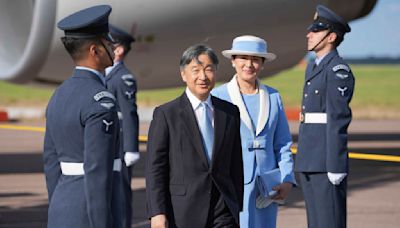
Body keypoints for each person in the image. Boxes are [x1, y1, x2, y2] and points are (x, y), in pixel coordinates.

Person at [146, 44, 244, 228]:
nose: (203, 76)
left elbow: (235, 162)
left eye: (209, 69)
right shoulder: (167, 114)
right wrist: (157, 212)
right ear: (183, 74)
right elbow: (155, 168)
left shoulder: (229, 112)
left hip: (223, 209)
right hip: (184, 211)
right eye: (195, 70)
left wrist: (236, 200)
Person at [43, 5, 120, 228]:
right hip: (89, 213)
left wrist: (60, 204)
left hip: (62, 206)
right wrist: (101, 222)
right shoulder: (100, 99)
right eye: (108, 42)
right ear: (95, 50)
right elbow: (97, 169)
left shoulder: (59, 94)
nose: (113, 47)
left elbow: (51, 162)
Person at [212, 35, 297, 228]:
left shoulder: (274, 97)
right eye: (243, 58)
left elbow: (282, 143)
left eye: (255, 59)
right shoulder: (218, 96)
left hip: (267, 186)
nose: (249, 64)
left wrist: (287, 178)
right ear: (233, 61)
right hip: (231, 185)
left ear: (262, 64)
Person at [294, 5, 355, 228]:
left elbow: (337, 120)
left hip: (325, 163)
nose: (309, 34)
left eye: (316, 30)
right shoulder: (314, 67)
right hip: (309, 160)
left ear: (331, 37)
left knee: (329, 222)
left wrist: (336, 165)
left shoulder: (337, 70)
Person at [105, 24, 139, 228]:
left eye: (109, 45)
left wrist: (131, 148)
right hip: (109, 140)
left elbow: (129, 113)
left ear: (118, 50)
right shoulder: (106, 74)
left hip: (120, 143)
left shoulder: (123, 78)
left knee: (121, 193)